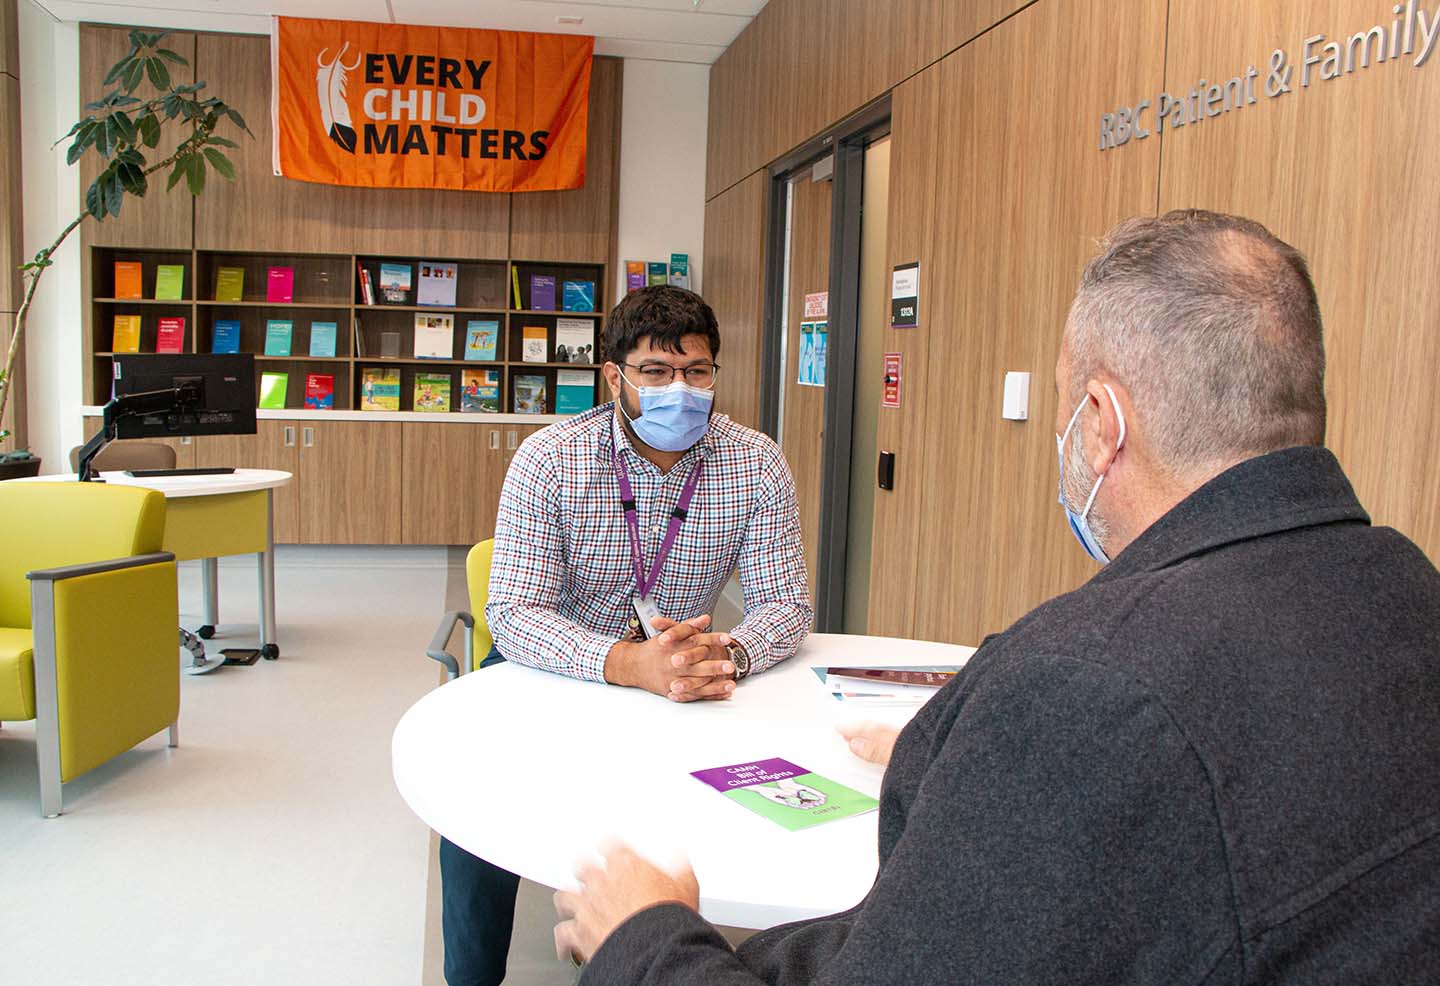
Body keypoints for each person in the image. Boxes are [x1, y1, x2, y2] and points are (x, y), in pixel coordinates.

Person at [552, 210, 1440, 984]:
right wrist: (969, 748)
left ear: (1101, 423)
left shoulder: (1078, 684)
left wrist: (645, 939)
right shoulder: (1408, 591)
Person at [439, 284, 813, 986]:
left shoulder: (756, 463)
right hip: (547, 664)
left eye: (697, 372)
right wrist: (624, 663)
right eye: (657, 372)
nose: (682, 389)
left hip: (683, 670)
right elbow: (516, 613)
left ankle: (651, 952)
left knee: (717, 804)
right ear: (614, 376)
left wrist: (724, 652)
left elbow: (786, 607)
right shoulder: (550, 458)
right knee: (474, 813)